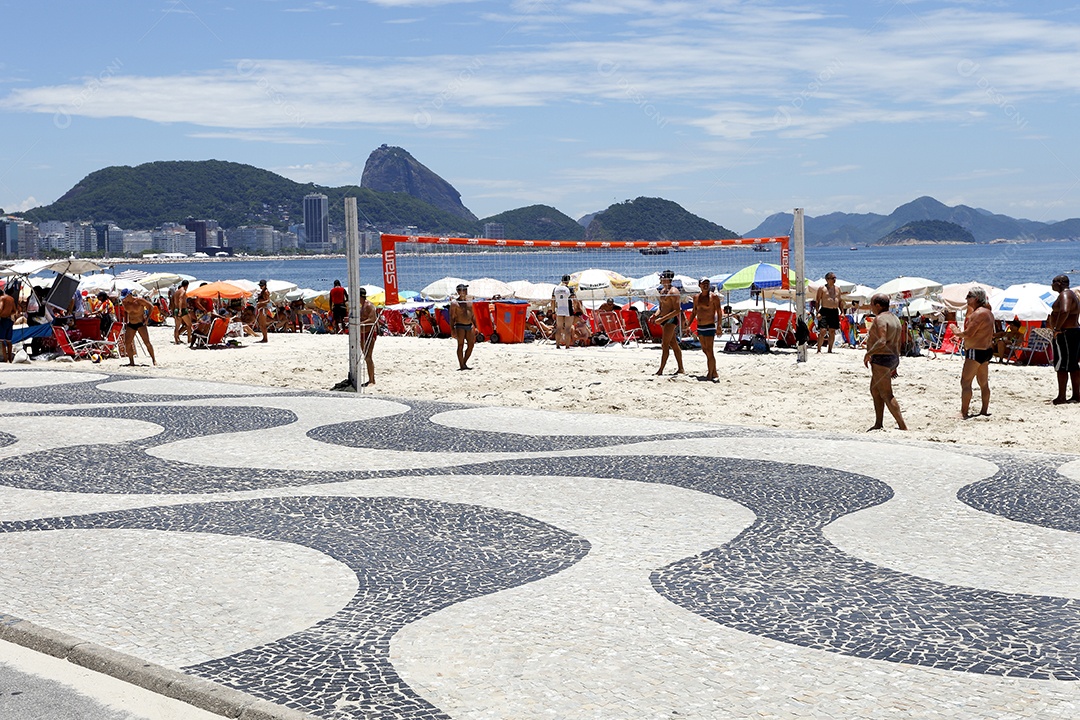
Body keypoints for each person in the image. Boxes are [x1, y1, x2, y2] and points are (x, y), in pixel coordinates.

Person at [862, 293, 906, 431]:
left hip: (881, 358)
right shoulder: (895, 318)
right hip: (892, 357)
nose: (870, 307)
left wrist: (868, 353)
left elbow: (882, 341)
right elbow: (897, 342)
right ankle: (878, 423)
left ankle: (903, 426)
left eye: (871, 304)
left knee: (887, 394)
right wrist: (895, 364)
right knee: (875, 390)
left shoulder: (880, 319)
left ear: (878, 305)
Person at [950, 287, 994, 418]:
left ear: (976, 298)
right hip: (986, 350)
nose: (966, 299)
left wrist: (955, 331)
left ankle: (963, 412)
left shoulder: (978, 313)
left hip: (976, 351)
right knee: (983, 383)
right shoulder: (988, 312)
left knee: (965, 382)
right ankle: (984, 411)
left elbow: (969, 333)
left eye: (969, 296)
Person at [1048, 274, 1080, 404]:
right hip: (1072, 332)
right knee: (1073, 364)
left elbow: (1065, 311)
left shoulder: (1065, 294)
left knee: (1062, 365)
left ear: (1059, 283)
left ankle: (1062, 396)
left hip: (1066, 333)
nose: (1051, 285)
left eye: (1053, 282)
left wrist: (1057, 329)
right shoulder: (1072, 294)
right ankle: (1076, 395)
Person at [653, 269, 685, 375]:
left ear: (667, 279)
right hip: (663, 319)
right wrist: (655, 315)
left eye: (662, 277)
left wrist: (661, 319)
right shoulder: (662, 291)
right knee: (673, 344)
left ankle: (660, 370)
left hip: (671, 320)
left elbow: (677, 310)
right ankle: (681, 368)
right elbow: (661, 307)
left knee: (664, 344)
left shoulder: (674, 292)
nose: (660, 279)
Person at [693, 277, 722, 381]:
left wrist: (719, 326)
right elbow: (694, 311)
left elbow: (719, 312)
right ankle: (714, 372)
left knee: (710, 350)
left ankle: (710, 374)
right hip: (700, 326)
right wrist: (688, 324)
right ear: (699, 285)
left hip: (709, 326)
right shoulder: (696, 297)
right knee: (704, 350)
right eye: (703, 283)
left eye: (707, 283)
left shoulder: (714, 297)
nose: (705, 285)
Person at [120, 289, 156, 367]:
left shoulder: (139, 301)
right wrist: (125, 321)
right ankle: (131, 362)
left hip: (141, 323)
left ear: (129, 295)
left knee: (147, 342)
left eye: (125, 297)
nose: (124, 299)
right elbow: (126, 312)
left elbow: (151, 307)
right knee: (127, 343)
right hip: (131, 324)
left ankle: (154, 360)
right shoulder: (124, 303)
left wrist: (147, 319)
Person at [449, 283, 476, 370]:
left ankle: (464, 362)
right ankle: (461, 365)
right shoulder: (455, 303)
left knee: (471, 345)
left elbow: (472, 315)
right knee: (460, 345)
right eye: (463, 290)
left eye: (465, 290)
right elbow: (452, 317)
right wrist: (452, 330)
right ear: (458, 292)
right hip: (459, 325)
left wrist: (476, 326)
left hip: (469, 325)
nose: (464, 291)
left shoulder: (469, 301)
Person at [815, 272, 844, 353]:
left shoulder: (837, 289)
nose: (834, 280)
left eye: (835, 278)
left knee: (832, 331)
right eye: (832, 278)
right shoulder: (822, 288)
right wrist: (817, 312)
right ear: (827, 279)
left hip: (834, 311)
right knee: (823, 330)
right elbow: (817, 301)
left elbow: (840, 301)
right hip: (824, 310)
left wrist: (842, 312)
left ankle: (830, 349)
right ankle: (819, 349)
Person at [356, 287, 378, 386]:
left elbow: (372, 319)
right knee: (366, 357)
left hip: (369, 332)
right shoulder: (361, 307)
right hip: (362, 333)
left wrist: (360, 323)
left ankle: (372, 380)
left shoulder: (369, 306)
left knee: (368, 357)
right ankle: (370, 379)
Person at [551, 275, 574, 349]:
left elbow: (552, 301)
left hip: (559, 309)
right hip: (568, 309)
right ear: (568, 281)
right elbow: (574, 300)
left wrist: (553, 311)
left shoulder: (556, 289)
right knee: (568, 329)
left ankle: (557, 345)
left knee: (559, 328)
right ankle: (567, 346)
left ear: (562, 280)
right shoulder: (570, 289)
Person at [0, 285, 17, 363]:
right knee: (9, 341)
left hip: (2, 320)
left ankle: (5, 358)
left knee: (1, 341)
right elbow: (14, 311)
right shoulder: (11, 299)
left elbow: (0, 309)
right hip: (10, 320)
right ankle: (10, 359)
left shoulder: (2, 298)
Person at [172, 280, 191, 344]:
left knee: (177, 326)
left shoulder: (176, 292)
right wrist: (180, 310)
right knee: (189, 325)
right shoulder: (183, 291)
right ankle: (189, 339)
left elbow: (173, 301)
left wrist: (175, 310)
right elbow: (180, 299)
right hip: (182, 309)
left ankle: (176, 340)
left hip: (176, 309)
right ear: (187, 285)